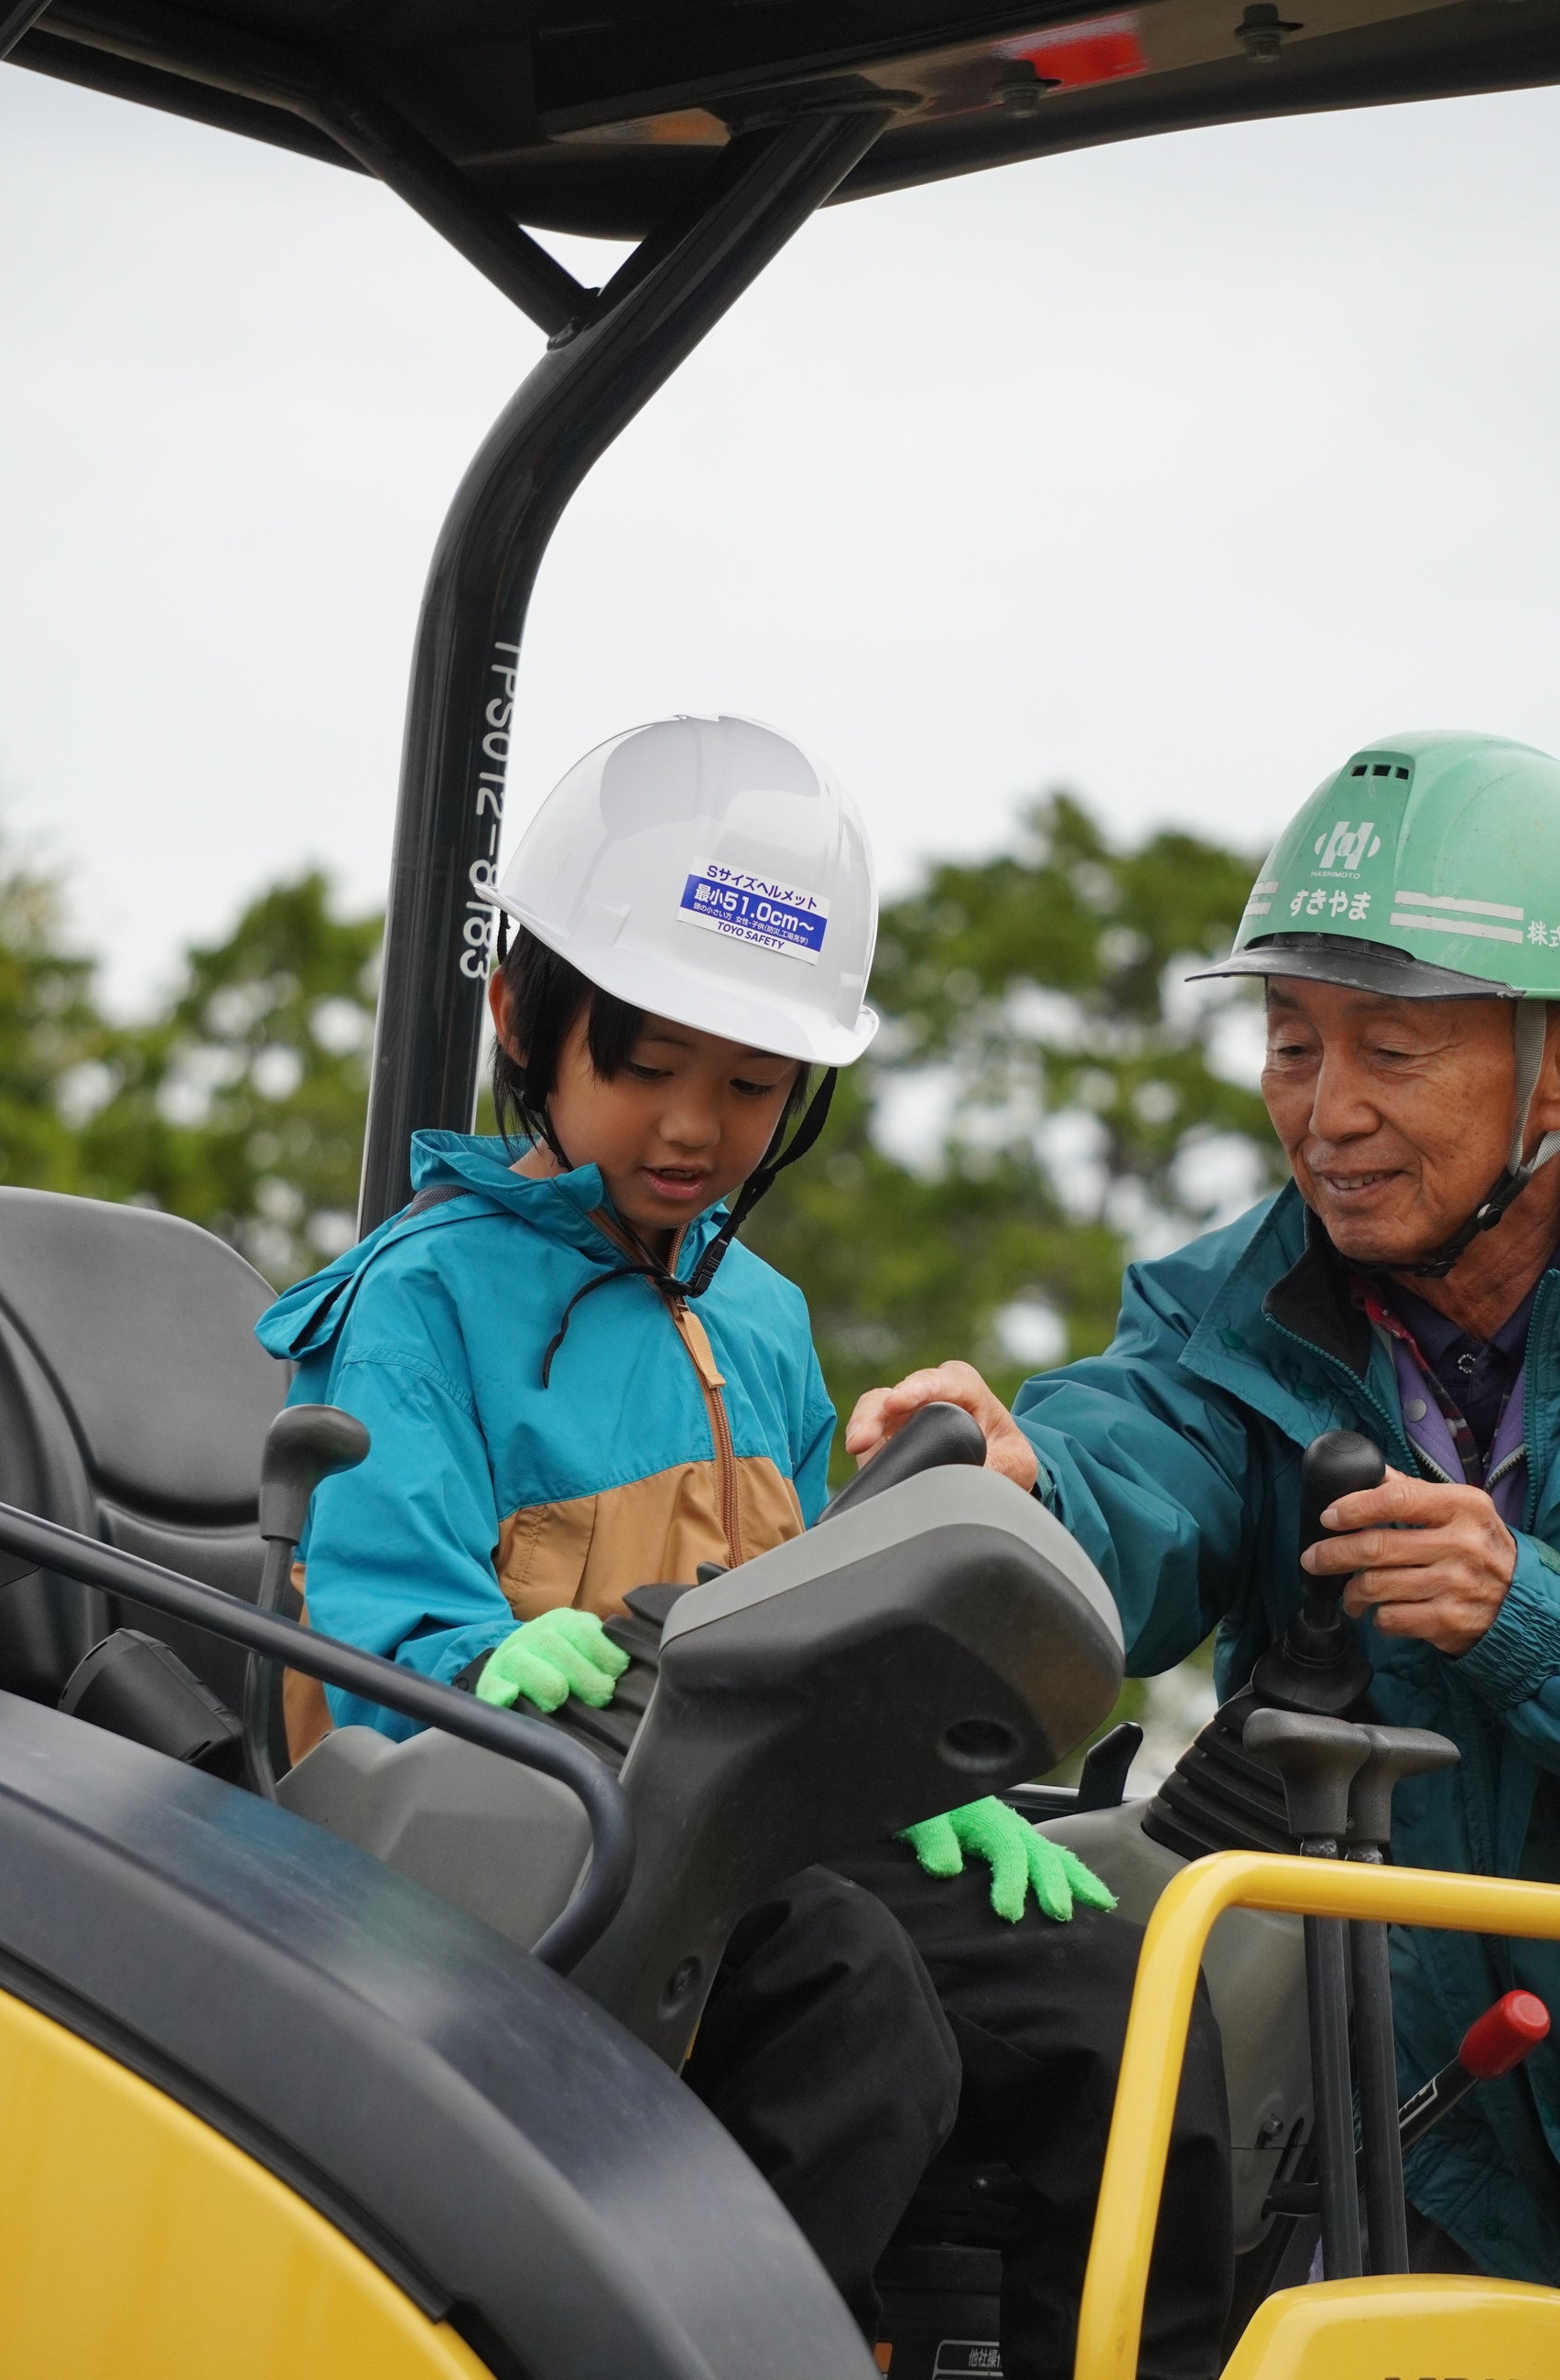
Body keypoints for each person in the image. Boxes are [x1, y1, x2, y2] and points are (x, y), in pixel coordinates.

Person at [257, 714, 1233, 2380]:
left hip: (753, 1821)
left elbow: (814, 1627)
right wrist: (485, 1661)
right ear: (522, 1019)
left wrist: (916, 1777)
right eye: (646, 1065)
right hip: (525, 1829)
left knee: (1117, 1997)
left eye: (750, 1083)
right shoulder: (418, 1299)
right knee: (851, 2005)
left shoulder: (762, 1321)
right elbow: (366, 1641)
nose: (692, 1127)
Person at [850, 727, 1560, 2285]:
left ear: (1548, 1064)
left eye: (1390, 1050)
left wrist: (1523, 1615)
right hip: (1405, 2134)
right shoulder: (1227, 1313)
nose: (1325, 1110)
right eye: (1290, 1043)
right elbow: (1135, 1468)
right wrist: (1023, 1488)